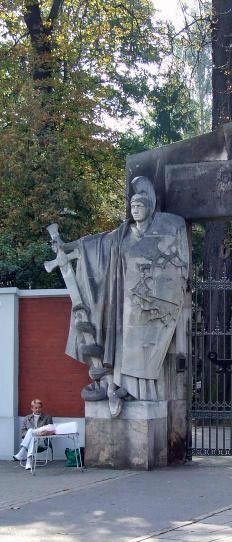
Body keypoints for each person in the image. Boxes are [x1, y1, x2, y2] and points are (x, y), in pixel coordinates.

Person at [57, 176, 189, 417]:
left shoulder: (162, 232)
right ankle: (117, 388)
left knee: (144, 349)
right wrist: (69, 248)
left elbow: (175, 265)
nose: (135, 210)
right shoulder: (122, 235)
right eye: (132, 207)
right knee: (121, 344)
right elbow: (95, 243)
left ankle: (139, 391)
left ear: (149, 209)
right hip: (122, 302)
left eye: (139, 206)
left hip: (148, 305)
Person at [14, 399, 53, 469]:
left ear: (42, 407)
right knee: (31, 433)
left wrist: (42, 434)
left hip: (42, 441)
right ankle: (29, 460)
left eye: (39, 407)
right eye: (35, 408)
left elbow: (51, 430)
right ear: (32, 408)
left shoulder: (47, 417)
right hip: (30, 440)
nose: (38, 409)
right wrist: (34, 433)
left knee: (31, 431)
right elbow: (22, 432)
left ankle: (22, 452)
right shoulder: (26, 418)